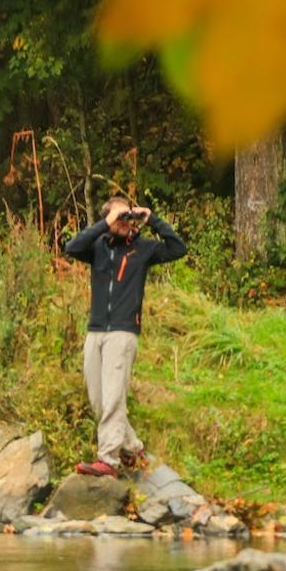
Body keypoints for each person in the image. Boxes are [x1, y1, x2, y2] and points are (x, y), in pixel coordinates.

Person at [64, 196, 187, 476]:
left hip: (123, 331)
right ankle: (132, 448)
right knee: (99, 400)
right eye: (118, 217)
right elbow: (71, 247)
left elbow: (178, 248)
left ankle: (108, 459)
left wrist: (151, 219)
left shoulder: (142, 249)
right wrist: (106, 223)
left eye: (127, 217)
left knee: (113, 397)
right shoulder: (97, 247)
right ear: (107, 219)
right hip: (96, 330)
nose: (124, 223)